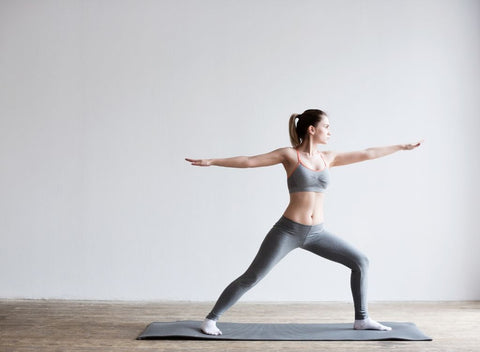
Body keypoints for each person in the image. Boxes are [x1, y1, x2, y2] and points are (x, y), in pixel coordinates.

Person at [185, 109, 422, 336]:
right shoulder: (289, 155)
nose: (330, 132)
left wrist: (401, 147)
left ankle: (362, 319)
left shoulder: (329, 158)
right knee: (252, 277)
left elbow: (368, 153)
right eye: (326, 127)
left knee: (360, 261)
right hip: (288, 231)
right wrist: (213, 161)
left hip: (317, 233)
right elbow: (248, 161)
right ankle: (211, 318)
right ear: (311, 129)